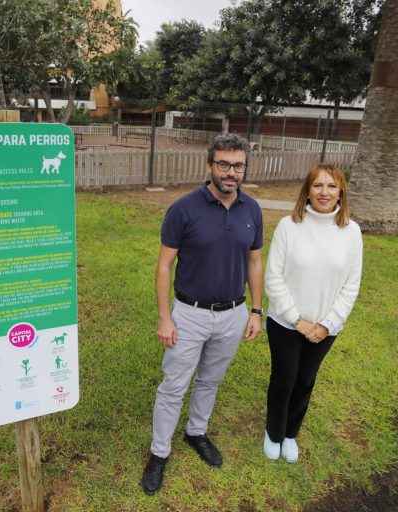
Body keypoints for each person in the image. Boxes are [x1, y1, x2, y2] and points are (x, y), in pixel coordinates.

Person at [142, 133, 264, 495]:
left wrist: (257, 310)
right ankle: (159, 452)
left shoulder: (252, 210)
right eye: (223, 164)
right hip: (189, 314)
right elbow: (164, 266)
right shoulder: (183, 209)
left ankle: (196, 433)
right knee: (173, 386)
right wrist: (165, 317)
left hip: (233, 314)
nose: (231, 172)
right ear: (210, 165)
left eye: (238, 166)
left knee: (210, 381)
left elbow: (254, 262)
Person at [262, 163, 363, 463]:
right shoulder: (288, 226)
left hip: (325, 327)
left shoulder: (352, 232)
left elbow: (351, 285)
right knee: (284, 380)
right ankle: (274, 432)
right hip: (286, 322)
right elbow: (273, 277)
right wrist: (297, 320)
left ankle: (290, 434)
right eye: (317, 185)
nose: (324, 192)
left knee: (306, 380)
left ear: (341, 192)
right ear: (307, 191)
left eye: (331, 186)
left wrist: (328, 324)